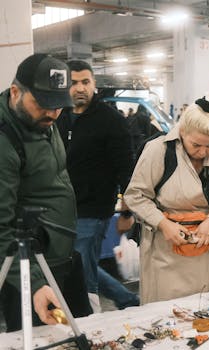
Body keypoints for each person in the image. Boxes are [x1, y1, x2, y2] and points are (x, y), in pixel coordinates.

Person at [124, 93, 209, 304]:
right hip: (166, 252)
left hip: (207, 249)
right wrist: (163, 224)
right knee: (166, 314)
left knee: (205, 308)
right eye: (196, 145)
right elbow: (136, 195)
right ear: (182, 132)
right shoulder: (158, 150)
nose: (203, 152)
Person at [0, 54, 92, 331]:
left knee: (86, 332)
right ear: (16, 92)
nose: (52, 114)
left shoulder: (41, 120)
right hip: (30, 270)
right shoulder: (5, 142)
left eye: (59, 106)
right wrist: (36, 284)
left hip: (62, 254)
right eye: (43, 105)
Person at [55, 60, 139, 312]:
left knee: (82, 272)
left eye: (85, 82)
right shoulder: (60, 117)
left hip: (93, 210)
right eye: (73, 83)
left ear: (94, 84)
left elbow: (127, 170)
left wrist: (127, 212)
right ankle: (127, 299)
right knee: (80, 264)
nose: (79, 88)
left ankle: (89, 324)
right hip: (61, 210)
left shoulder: (110, 120)